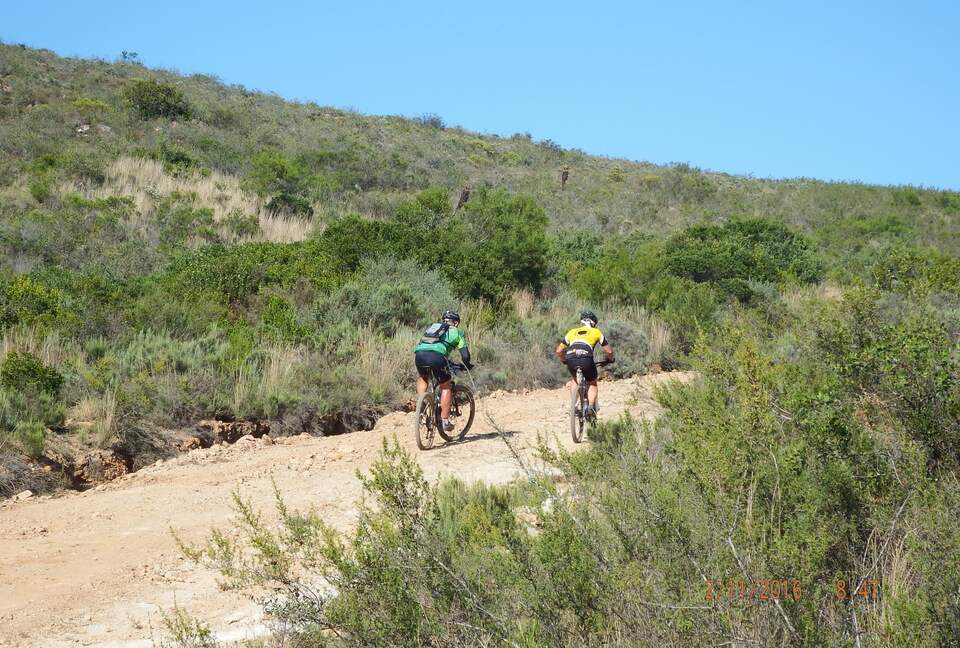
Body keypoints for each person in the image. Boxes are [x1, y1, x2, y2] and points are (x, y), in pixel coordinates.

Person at [414, 310, 472, 431]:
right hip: (437, 357)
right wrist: (466, 365)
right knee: (445, 386)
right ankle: (445, 421)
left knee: (423, 377)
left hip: (419, 354)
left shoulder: (433, 328)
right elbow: (465, 356)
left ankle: (422, 406)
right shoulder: (457, 332)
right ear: (456, 323)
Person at [555, 310, 614, 415]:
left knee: (574, 380)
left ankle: (574, 405)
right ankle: (591, 406)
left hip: (571, 356)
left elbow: (559, 351)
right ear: (593, 323)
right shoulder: (596, 332)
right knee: (592, 383)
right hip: (586, 358)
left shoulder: (572, 332)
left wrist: (564, 360)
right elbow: (609, 351)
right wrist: (610, 359)